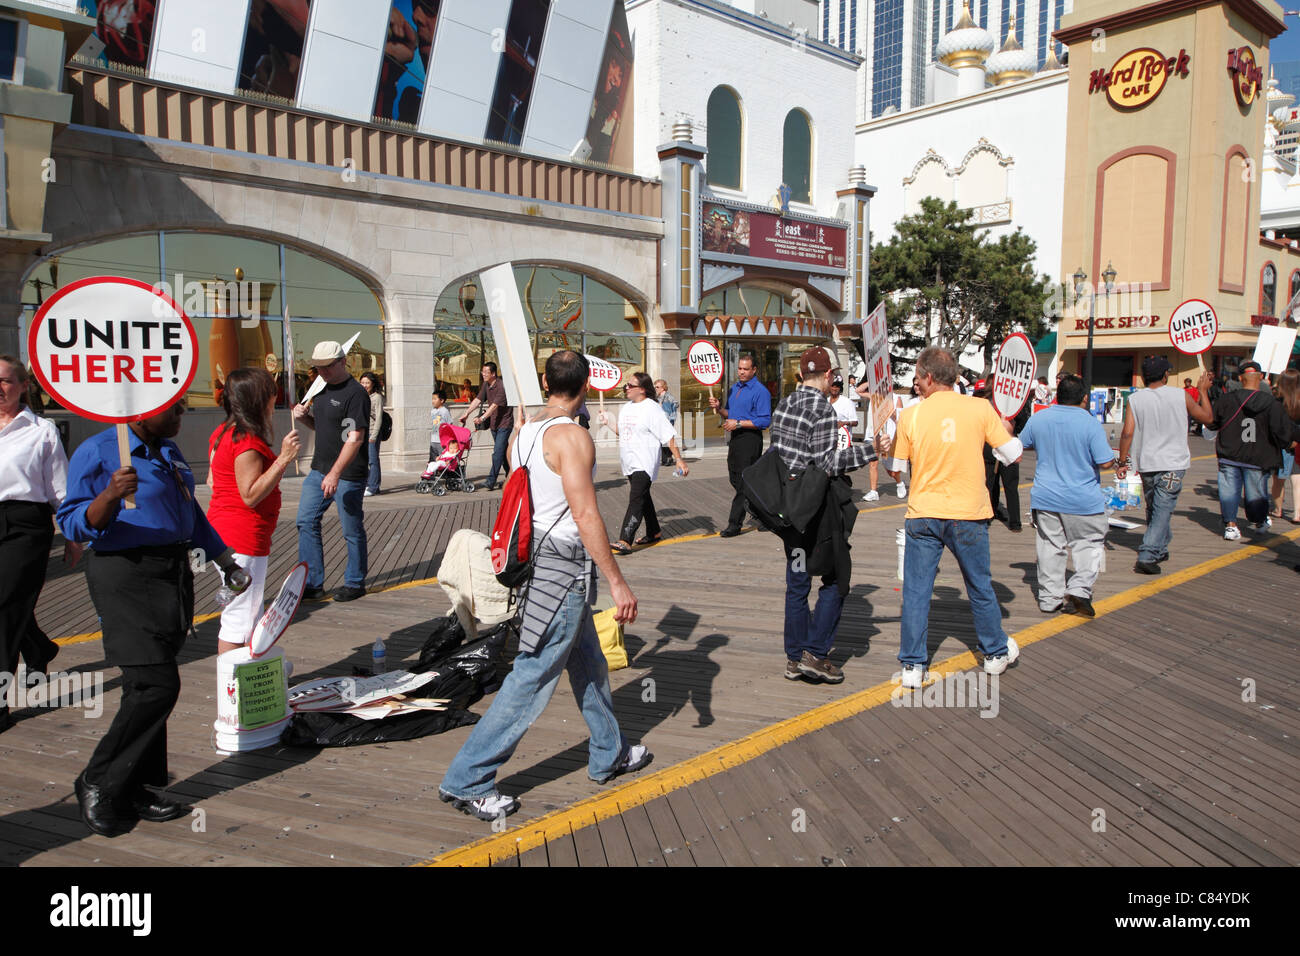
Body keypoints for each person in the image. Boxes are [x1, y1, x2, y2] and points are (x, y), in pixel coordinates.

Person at [439, 350, 652, 822]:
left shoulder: (527, 432)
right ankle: (468, 778)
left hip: (537, 558)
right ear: (585, 383)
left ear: (545, 380)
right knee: (531, 675)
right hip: (564, 569)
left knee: (589, 663)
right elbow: (585, 513)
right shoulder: (572, 438)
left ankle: (608, 752)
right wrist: (617, 582)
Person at [58, 402, 250, 836]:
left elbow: (190, 514)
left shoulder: (167, 451)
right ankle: (100, 781)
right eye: (174, 407)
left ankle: (137, 785)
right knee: (155, 684)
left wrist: (225, 560)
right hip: (124, 572)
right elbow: (72, 522)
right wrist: (108, 495)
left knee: (147, 685)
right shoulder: (100, 450)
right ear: (141, 410)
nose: (182, 412)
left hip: (170, 573)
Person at [886, 347, 1023, 689]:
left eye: (917, 377)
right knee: (979, 585)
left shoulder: (911, 415)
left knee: (917, 592)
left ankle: (913, 666)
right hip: (968, 513)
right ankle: (993, 653)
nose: (915, 384)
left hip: (923, 514)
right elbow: (1012, 454)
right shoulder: (979, 407)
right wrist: (1004, 428)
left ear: (929, 378)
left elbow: (896, 470)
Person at [769, 347, 883, 684]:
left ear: (802, 373)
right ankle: (816, 654)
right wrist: (870, 450)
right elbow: (828, 465)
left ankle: (794, 657)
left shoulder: (785, 404)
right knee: (836, 577)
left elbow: (780, 453)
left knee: (799, 580)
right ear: (830, 375)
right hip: (818, 512)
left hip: (790, 508)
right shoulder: (822, 408)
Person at [0, 356, 81, 732]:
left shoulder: (41, 430)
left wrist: (73, 535)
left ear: (22, 386)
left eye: (4, 381)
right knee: (9, 606)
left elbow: (60, 490)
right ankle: (38, 648)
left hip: (25, 527)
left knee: (5, 609)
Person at [207, 368, 300, 656]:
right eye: (271, 395)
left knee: (246, 611)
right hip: (243, 535)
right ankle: (235, 686)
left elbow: (213, 480)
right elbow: (250, 495)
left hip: (229, 532)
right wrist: (283, 459)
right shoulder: (245, 441)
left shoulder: (224, 433)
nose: (275, 401)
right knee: (241, 618)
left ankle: (247, 677)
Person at [1019, 374, 1115, 617]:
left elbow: (1022, 444)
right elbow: (1104, 463)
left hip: (1046, 497)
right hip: (1083, 499)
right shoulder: (1089, 422)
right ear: (1084, 398)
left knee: (1050, 548)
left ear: (1058, 395)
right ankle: (1080, 588)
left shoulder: (1040, 418)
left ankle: (1050, 599)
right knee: (1089, 545)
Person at [1117, 358, 1213, 572]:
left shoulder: (1135, 399)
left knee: (1155, 507)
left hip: (1146, 462)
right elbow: (1207, 418)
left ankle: (1159, 547)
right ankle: (1148, 554)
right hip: (1173, 463)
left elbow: (1127, 432)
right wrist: (1203, 391)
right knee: (1162, 509)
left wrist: (1122, 462)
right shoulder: (1181, 395)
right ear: (1165, 375)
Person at [293, 341, 369, 602]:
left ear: (342, 362)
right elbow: (325, 428)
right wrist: (304, 418)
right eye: (318, 367)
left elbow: (354, 438)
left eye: (326, 367)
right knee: (305, 520)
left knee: (351, 528)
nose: (321, 372)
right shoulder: (320, 389)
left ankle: (355, 581)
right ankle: (313, 583)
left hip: (348, 472)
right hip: (319, 469)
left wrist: (335, 473)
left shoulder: (356, 394)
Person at [600, 371, 689, 553]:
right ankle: (654, 531)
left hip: (644, 461)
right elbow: (622, 432)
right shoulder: (626, 407)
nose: (626, 388)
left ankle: (625, 539)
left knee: (636, 498)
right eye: (627, 385)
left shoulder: (652, 408)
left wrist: (679, 459)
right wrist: (608, 422)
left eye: (630, 385)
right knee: (643, 497)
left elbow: (668, 435)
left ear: (641, 389)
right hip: (629, 461)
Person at [1209, 360, 1299, 540]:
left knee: (1228, 492)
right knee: (1256, 493)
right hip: (1259, 456)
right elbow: (1281, 431)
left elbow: (1212, 423)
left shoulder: (1226, 400)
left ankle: (1231, 525)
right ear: (1261, 378)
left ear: (1240, 378)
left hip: (1230, 453)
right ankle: (1259, 521)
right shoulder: (1272, 403)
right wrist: (1290, 444)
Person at [710, 353, 772, 537]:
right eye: (739, 368)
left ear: (754, 370)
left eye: (746, 369)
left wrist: (738, 423)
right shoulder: (734, 388)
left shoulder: (761, 391)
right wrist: (719, 407)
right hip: (735, 439)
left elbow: (764, 420)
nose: (742, 372)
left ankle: (734, 524)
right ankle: (766, 514)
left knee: (744, 482)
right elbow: (729, 413)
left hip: (750, 439)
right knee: (736, 478)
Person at [978, 381, 1030, 532]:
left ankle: (990, 516)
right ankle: (1013, 521)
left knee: (992, 483)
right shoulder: (1011, 404)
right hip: (1005, 443)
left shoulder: (985, 403)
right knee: (1006, 485)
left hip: (994, 444)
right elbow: (1022, 422)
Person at [460, 362, 511, 491]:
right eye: (483, 372)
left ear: (493, 374)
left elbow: (494, 406)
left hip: (505, 423)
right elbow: (477, 400)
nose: (483, 374)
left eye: (486, 372)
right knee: (503, 453)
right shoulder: (486, 385)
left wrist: (482, 418)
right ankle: (511, 476)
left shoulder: (501, 386)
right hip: (494, 424)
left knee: (497, 453)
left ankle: (490, 480)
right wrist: (467, 413)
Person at [1269, 369, 1300, 523]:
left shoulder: (1277, 401)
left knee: (1278, 480)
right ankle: (1297, 514)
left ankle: (1278, 509)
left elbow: (1275, 425)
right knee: (1297, 479)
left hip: (1282, 444)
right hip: (1298, 444)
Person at [360, 372, 384, 497]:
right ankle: (373, 484)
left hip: (372, 432)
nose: (364, 385)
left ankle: (373, 486)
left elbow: (379, 417)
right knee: (365, 460)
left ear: (372, 384)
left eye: (367, 383)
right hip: (363, 432)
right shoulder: (360, 396)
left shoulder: (377, 397)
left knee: (372, 460)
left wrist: (374, 436)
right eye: (362, 382)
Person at [654, 378, 679, 467]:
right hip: (660, 422)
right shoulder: (657, 397)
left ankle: (669, 457)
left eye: (657, 387)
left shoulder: (668, 396)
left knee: (668, 440)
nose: (655, 388)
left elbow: (675, 404)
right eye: (655, 387)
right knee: (662, 440)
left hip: (667, 421)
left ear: (663, 388)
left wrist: (669, 417)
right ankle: (665, 459)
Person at [429, 388, 453, 463]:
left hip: (441, 441)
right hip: (433, 439)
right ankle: (432, 473)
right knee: (433, 459)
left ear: (442, 400)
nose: (433, 401)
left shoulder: (444, 411)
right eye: (432, 399)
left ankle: (443, 473)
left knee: (442, 458)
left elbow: (450, 424)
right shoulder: (433, 411)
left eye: (435, 399)